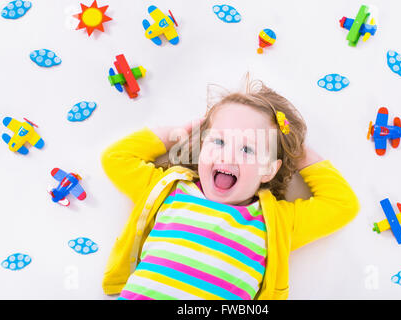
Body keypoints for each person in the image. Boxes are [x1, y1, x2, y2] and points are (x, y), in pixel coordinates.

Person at [101, 77, 360, 300]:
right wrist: (181, 131)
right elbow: (116, 158)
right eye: (219, 141)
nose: (228, 156)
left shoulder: (277, 222)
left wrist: (299, 152)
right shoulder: (168, 190)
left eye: (247, 148)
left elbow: (342, 204)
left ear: (269, 169)